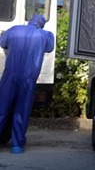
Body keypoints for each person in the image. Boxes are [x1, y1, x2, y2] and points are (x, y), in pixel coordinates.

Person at [0, 14, 55, 154]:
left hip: (10, 75)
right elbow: (49, 48)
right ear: (42, 24)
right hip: (28, 78)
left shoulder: (13, 30)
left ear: (29, 21)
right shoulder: (46, 35)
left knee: (1, 108)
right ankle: (16, 146)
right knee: (21, 111)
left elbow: (3, 43)